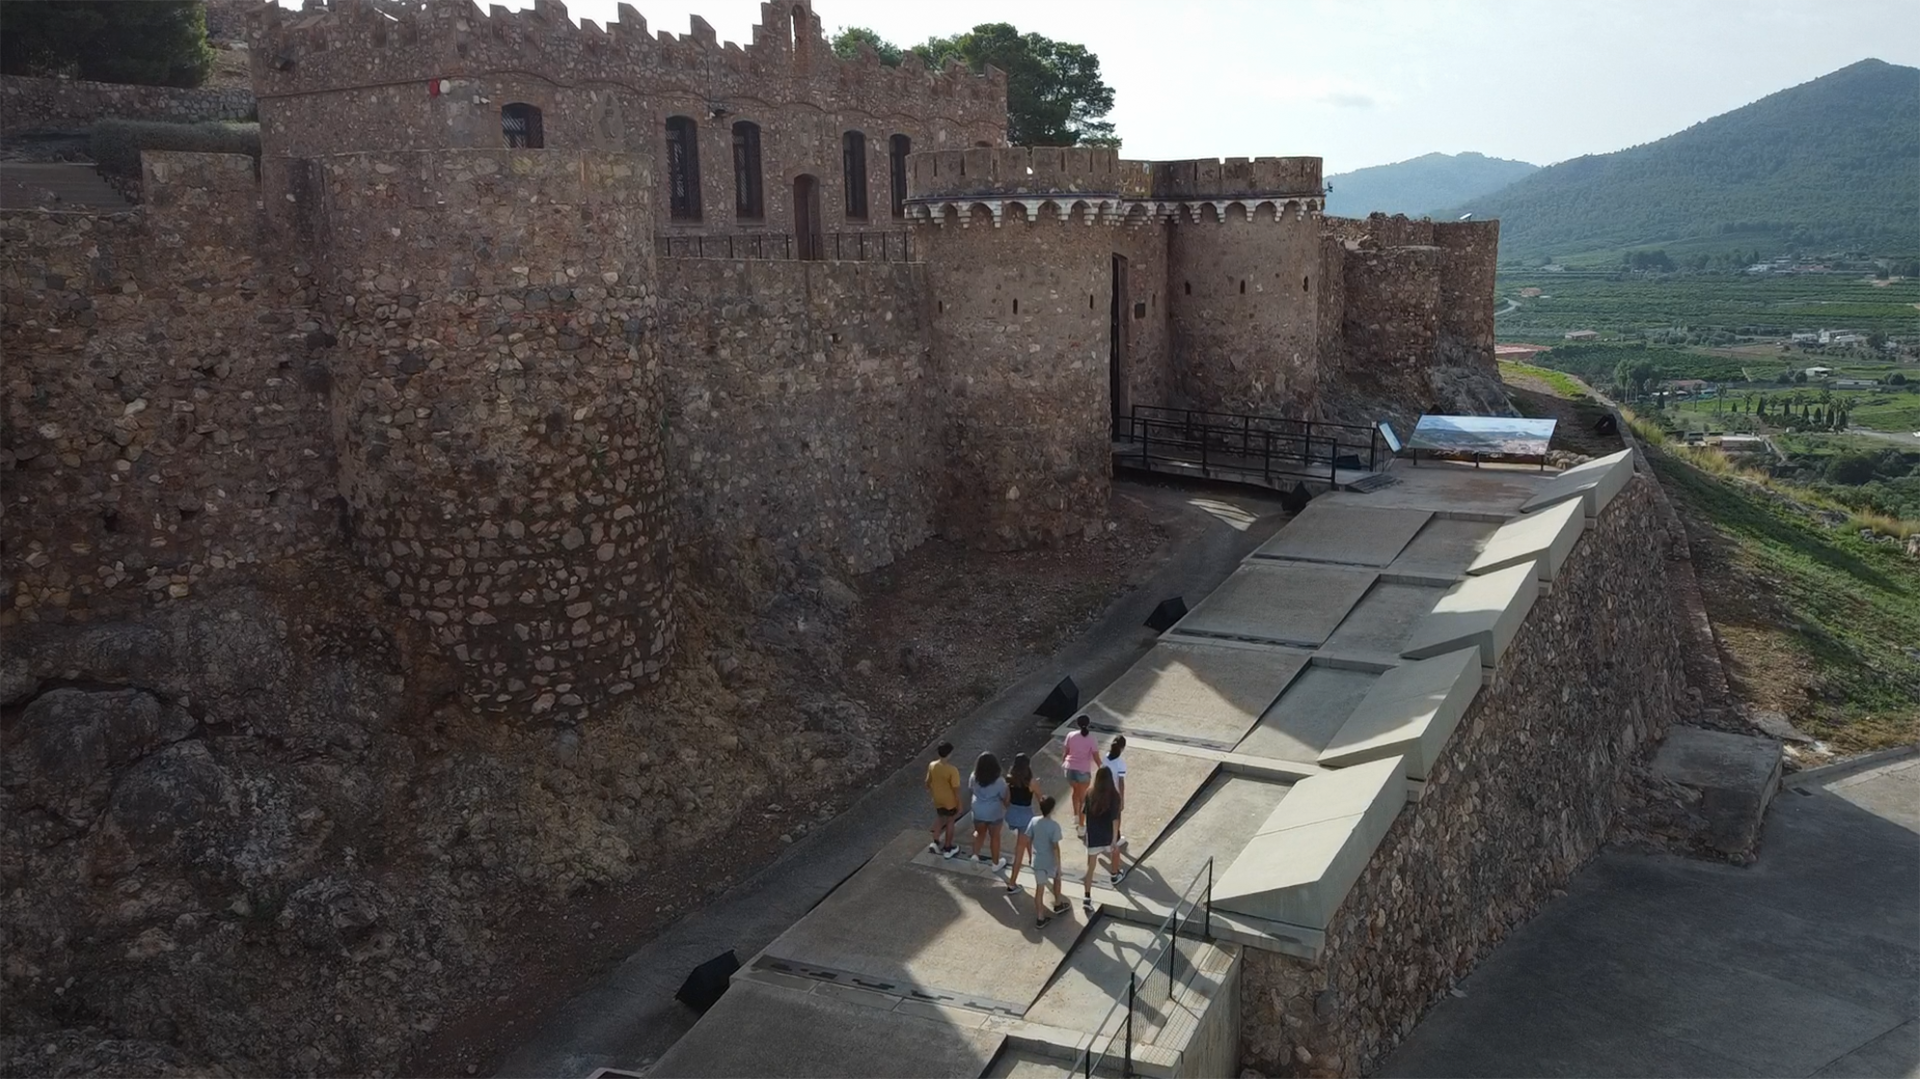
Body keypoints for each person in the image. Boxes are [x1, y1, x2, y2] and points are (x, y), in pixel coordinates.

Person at [1081, 765, 1127, 913]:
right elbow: (1115, 819)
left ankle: (1087, 897)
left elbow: (1084, 812)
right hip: (1107, 835)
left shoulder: (1089, 793)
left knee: (1091, 867)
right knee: (1116, 851)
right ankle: (1114, 875)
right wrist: (1114, 839)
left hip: (1093, 836)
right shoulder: (1114, 796)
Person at [1026, 795, 1070, 929]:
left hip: (1038, 860)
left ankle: (1040, 917)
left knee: (1039, 890)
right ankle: (1057, 903)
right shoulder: (1054, 826)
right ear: (1052, 809)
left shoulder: (1033, 821)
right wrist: (1059, 866)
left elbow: (1028, 840)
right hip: (1050, 860)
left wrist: (1030, 856)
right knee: (1057, 880)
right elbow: (1055, 847)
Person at [1003, 754, 1039, 893]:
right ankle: (1012, 884)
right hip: (1025, 817)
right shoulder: (1031, 782)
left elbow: (1006, 801)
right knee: (1019, 850)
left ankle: (1031, 859)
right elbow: (1041, 798)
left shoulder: (1010, 780)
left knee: (1026, 838)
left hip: (1012, 815)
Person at [967, 752, 1010, 869]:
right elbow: (1004, 797)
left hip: (978, 810)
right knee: (995, 836)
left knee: (979, 833)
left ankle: (975, 855)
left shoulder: (973, 777)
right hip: (994, 812)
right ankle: (995, 863)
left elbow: (971, 789)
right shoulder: (1000, 781)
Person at [1062, 714, 1099, 837]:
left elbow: (1066, 752)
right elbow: (1096, 757)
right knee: (1083, 798)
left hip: (1069, 769)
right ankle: (1082, 826)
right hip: (1083, 771)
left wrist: (1064, 763)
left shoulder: (1070, 735)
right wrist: (1103, 768)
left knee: (1075, 792)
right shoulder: (1091, 738)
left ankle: (1076, 816)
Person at [925, 741, 961, 858]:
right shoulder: (952, 770)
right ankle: (948, 847)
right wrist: (959, 803)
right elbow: (955, 788)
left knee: (940, 819)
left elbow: (927, 782)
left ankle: (935, 842)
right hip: (949, 801)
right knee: (950, 821)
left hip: (937, 799)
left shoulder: (932, 765)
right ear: (949, 754)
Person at [1105, 735, 1129, 853]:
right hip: (1114, 794)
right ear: (1122, 748)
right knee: (1116, 817)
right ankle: (1116, 838)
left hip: (1103, 791)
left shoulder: (1105, 758)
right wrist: (1122, 799)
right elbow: (1121, 783)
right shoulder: (1120, 763)